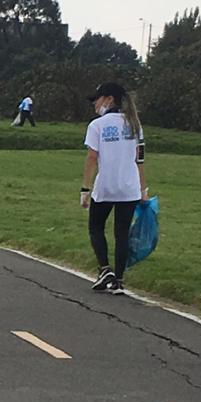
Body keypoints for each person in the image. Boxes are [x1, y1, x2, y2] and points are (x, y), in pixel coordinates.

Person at [82, 81, 147, 295]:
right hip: (129, 188)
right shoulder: (134, 124)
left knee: (96, 227)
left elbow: (92, 157)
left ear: (109, 99)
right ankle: (119, 280)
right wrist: (143, 189)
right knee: (122, 233)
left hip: (106, 187)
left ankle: (104, 269)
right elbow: (140, 159)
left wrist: (85, 188)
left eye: (97, 99)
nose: (95, 104)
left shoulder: (97, 125)